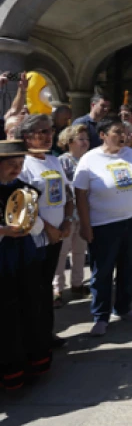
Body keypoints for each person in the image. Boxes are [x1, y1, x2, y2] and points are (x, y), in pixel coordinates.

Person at [74, 119, 132, 337]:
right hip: (104, 225)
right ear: (102, 135)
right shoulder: (89, 159)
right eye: (118, 132)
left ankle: (123, 307)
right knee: (102, 272)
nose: (124, 137)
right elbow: (80, 196)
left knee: (129, 267)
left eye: (126, 133)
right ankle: (100, 316)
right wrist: (85, 225)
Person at [19, 115, 74, 349]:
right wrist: (48, 228)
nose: (47, 135)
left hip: (57, 235)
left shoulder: (54, 161)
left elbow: (67, 193)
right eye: (40, 132)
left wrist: (68, 220)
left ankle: (46, 333)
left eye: (49, 130)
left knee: (46, 290)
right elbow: (23, 204)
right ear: (26, 137)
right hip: (35, 238)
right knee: (34, 290)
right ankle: (33, 338)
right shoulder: (21, 164)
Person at [0, 140, 51, 390]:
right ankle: (11, 372)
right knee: (6, 316)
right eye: (11, 165)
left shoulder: (25, 189)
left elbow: (35, 221)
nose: (17, 169)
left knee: (30, 308)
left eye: (20, 164)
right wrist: (3, 231)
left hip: (24, 257)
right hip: (2, 261)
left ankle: (33, 364)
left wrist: (31, 225)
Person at [54, 124, 90, 302]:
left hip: (84, 213)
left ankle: (77, 283)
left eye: (86, 139)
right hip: (67, 213)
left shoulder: (90, 160)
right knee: (62, 252)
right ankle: (57, 288)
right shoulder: (62, 161)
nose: (85, 143)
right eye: (81, 139)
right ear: (69, 142)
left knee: (79, 251)